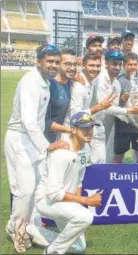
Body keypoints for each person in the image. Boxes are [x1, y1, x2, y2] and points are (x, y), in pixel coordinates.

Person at [4, 44, 69, 253]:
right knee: (24, 191)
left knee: (36, 190)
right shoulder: (31, 82)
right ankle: (18, 230)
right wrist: (47, 146)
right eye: (49, 61)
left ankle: (23, 227)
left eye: (56, 62)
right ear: (38, 61)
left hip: (33, 141)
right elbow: (28, 121)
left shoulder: (45, 81)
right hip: (21, 140)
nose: (53, 65)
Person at [24, 112, 104, 254]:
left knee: (79, 247)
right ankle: (52, 251)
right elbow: (53, 193)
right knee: (86, 216)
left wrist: (77, 206)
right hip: (47, 201)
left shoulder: (85, 151)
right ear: (73, 129)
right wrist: (86, 200)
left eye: (91, 127)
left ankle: (31, 230)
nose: (89, 131)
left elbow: (79, 180)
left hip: (64, 201)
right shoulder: (61, 154)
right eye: (85, 128)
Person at [91, 50, 138, 163]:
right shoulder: (101, 80)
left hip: (106, 125)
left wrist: (134, 118)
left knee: (101, 159)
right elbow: (106, 108)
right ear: (106, 63)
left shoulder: (116, 83)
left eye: (119, 64)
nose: (116, 67)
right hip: (93, 125)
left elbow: (115, 108)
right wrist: (130, 110)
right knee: (95, 160)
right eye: (114, 64)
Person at [114, 52, 138, 163]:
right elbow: (114, 104)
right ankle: (115, 178)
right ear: (124, 66)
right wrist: (122, 99)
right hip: (123, 123)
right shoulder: (118, 81)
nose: (133, 67)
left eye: (135, 64)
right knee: (118, 157)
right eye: (130, 64)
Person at [44, 49, 77, 143]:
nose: (72, 68)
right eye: (67, 64)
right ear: (58, 64)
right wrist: (70, 130)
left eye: (74, 64)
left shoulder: (71, 84)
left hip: (58, 139)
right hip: (42, 140)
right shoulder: (48, 85)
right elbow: (43, 121)